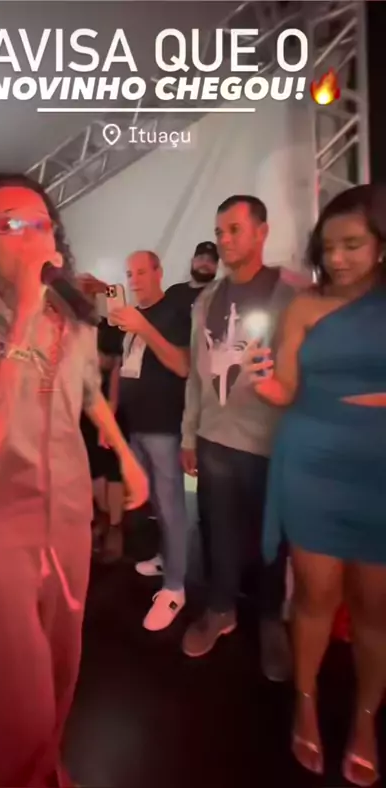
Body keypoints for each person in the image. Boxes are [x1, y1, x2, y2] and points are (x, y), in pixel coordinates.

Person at [0, 172, 148, 788]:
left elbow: (88, 391)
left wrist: (124, 454)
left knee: (62, 667)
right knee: (14, 689)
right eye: (12, 224)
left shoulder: (68, 316)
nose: (31, 236)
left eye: (41, 224)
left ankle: (44, 767)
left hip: (69, 516)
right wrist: (20, 318)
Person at [244, 184, 386, 787]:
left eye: (353, 244)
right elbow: (286, 390)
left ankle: (365, 719)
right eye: (329, 247)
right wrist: (261, 382)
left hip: (379, 467)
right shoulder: (303, 306)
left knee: (376, 609)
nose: (338, 258)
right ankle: (305, 701)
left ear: (381, 243)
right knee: (314, 597)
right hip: (313, 461)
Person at [180, 195, 304, 679]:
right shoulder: (206, 300)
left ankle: (271, 619)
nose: (225, 240)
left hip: (271, 443)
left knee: (273, 541)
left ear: (261, 231)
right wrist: (189, 434)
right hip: (214, 439)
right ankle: (220, 609)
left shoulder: (292, 295)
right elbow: (196, 375)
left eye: (234, 229)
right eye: (220, 231)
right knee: (217, 532)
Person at [109, 251, 191, 631]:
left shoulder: (173, 313)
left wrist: (143, 327)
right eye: (130, 273)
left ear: (159, 272)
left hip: (163, 426)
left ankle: (175, 587)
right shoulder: (131, 318)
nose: (135, 279)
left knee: (171, 505)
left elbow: (182, 365)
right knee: (156, 501)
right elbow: (125, 368)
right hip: (136, 425)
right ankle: (166, 559)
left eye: (142, 272)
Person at [81, 317, 127, 562]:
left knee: (110, 471)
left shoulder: (114, 363)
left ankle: (113, 524)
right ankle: (107, 520)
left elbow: (112, 397)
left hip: (106, 419)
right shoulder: (93, 356)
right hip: (91, 419)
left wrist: (105, 427)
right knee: (98, 470)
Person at [165, 241, 219, 321]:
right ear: (192, 261)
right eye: (201, 258)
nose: (205, 263)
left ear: (216, 266)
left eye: (211, 260)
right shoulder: (173, 292)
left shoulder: (220, 297)